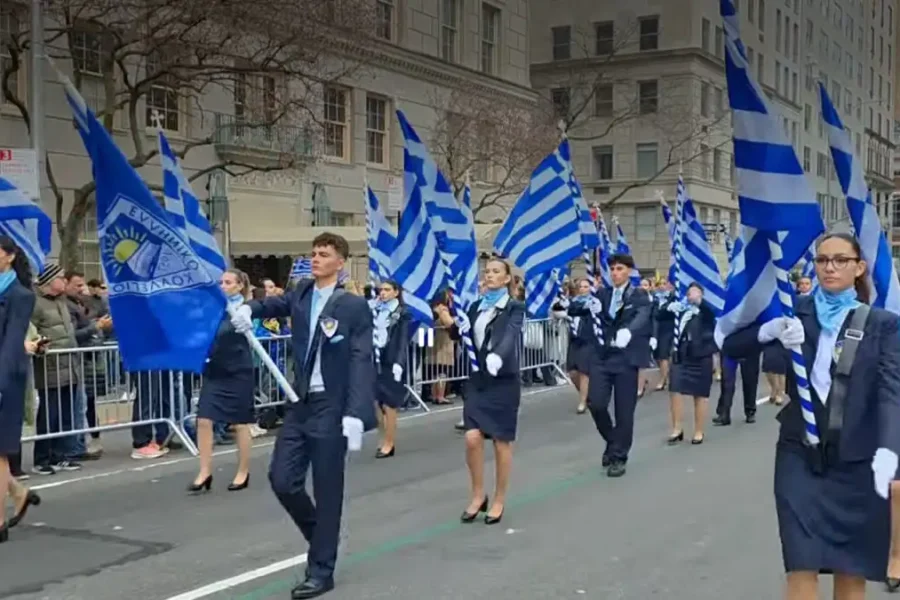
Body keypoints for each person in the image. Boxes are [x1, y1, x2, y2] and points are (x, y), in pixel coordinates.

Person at [721, 233, 900, 599]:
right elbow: (730, 345)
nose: (829, 267)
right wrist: (767, 331)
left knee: (851, 568)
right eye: (822, 260)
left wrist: (889, 451)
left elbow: (890, 393)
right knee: (801, 560)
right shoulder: (792, 310)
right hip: (799, 456)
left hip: (858, 459)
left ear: (859, 267)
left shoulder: (883, 324)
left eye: (840, 260)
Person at [231, 232, 375, 599]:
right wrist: (248, 308)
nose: (316, 259)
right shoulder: (302, 292)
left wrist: (357, 412)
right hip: (300, 402)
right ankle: (322, 535)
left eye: (324, 254)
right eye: (313, 253)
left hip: (332, 403)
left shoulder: (352, 306)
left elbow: (361, 359)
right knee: (282, 479)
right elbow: (272, 306)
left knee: (328, 489)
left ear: (340, 261)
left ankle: (321, 570)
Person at [452, 258, 524, 525]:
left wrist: (498, 356)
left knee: (500, 442)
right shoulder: (475, 306)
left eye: (496, 272)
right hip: (478, 381)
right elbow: (462, 337)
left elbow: (510, 336)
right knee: (472, 438)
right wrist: (455, 326)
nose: (490, 275)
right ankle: (477, 494)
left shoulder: (514, 308)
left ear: (506, 279)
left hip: (502, 381)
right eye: (487, 271)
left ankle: (499, 499)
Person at [585, 254, 652, 478]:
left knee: (624, 411)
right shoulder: (602, 294)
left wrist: (629, 331)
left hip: (627, 358)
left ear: (630, 272)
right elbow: (580, 308)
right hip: (603, 357)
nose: (615, 273)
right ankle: (613, 440)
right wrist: (566, 307)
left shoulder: (639, 295)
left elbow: (643, 316)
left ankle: (618, 456)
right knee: (595, 403)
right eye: (612, 269)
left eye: (620, 269)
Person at [188, 269, 255, 493]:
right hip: (215, 370)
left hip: (238, 370)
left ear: (239, 286)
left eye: (228, 282)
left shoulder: (243, 309)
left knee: (240, 423)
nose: (223, 286)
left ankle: (243, 471)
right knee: (204, 420)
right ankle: (204, 471)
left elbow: (239, 330)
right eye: (221, 282)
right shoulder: (211, 310)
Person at [0, 236, 40, 543]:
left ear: (10, 257)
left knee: (0, 453)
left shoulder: (20, 295)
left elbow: (12, 343)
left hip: (5, 379)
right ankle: (18, 492)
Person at [30, 264, 84, 475]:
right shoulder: (36, 303)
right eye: (60, 277)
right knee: (49, 414)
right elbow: (31, 331)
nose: (63, 281)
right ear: (50, 281)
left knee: (66, 414)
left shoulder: (61, 302)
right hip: (49, 367)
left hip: (70, 366)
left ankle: (61, 455)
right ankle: (42, 458)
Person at [665, 283, 717, 445]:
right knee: (675, 390)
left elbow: (710, 314)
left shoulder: (705, 311)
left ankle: (698, 431)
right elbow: (660, 315)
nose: (692, 295)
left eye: (695, 292)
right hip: (681, 354)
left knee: (700, 394)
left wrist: (700, 302)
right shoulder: (681, 310)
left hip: (701, 355)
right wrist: (669, 305)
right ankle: (677, 428)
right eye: (689, 293)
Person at [371, 280, 410, 459]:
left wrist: (399, 363)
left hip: (392, 360)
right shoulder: (374, 309)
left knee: (389, 404)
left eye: (387, 290)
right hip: (374, 359)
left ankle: (389, 442)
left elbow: (402, 340)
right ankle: (382, 436)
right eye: (381, 290)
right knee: (375, 404)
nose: (383, 293)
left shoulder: (401, 313)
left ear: (396, 292)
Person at [561, 278, 594, 414]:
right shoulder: (573, 303)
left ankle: (582, 401)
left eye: (586, 286)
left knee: (584, 372)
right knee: (572, 372)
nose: (583, 289)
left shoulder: (594, 302)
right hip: (574, 340)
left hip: (587, 340)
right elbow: (572, 310)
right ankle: (588, 395)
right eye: (581, 286)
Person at [652, 280, 676, 391]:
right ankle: (667, 375)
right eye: (659, 284)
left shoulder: (672, 298)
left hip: (667, 328)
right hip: (656, 329)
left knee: (663, 354)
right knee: (657, 355)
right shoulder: (655, 298)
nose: (662, 286)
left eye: (664, 283)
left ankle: (663, 380)